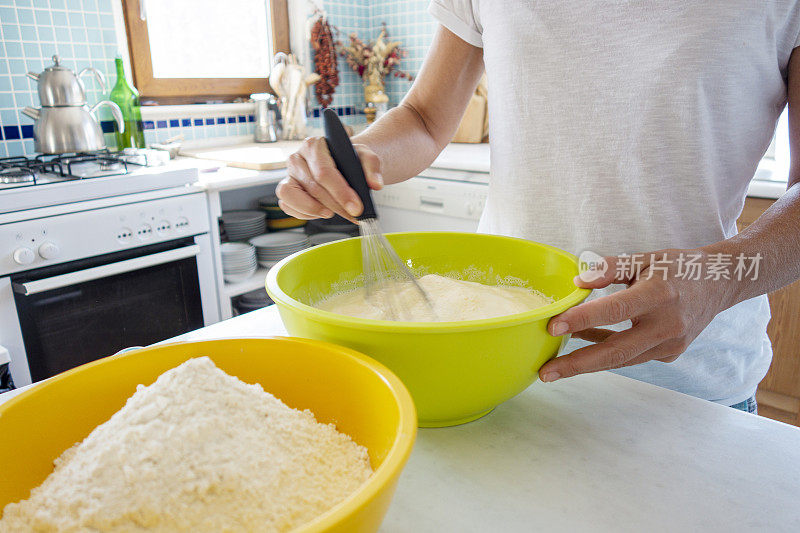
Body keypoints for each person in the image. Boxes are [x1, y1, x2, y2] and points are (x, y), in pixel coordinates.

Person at [277, 1, 800, 412]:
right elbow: (424, 117)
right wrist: (363, 158)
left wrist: (723, 276)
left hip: (685, 377)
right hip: (495, 368)